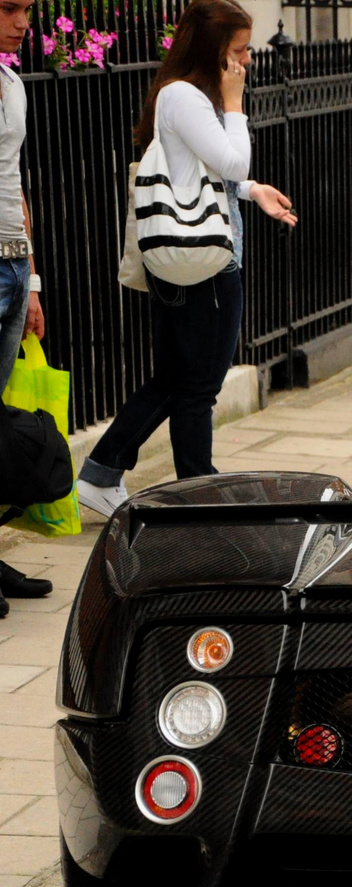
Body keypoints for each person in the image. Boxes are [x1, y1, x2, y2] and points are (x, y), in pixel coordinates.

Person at [75, 0, 296, 518]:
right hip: (205, 261)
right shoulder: (189, 97)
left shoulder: (180, 96)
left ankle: (103, 472)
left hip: (188, 254)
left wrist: (251, 190)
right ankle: (197, 493)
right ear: (215, 50)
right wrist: (235, 104)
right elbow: (232, 156)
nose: (246, 60)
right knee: (199, 387)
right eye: (240, 50)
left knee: (176, 379)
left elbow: (201, 172)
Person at [0, 0, 53, 616]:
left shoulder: (13, 81)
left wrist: (32, 281)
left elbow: (14, 181)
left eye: (28, 10)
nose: (23, 22)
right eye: (10, 8)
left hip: (13, 262)